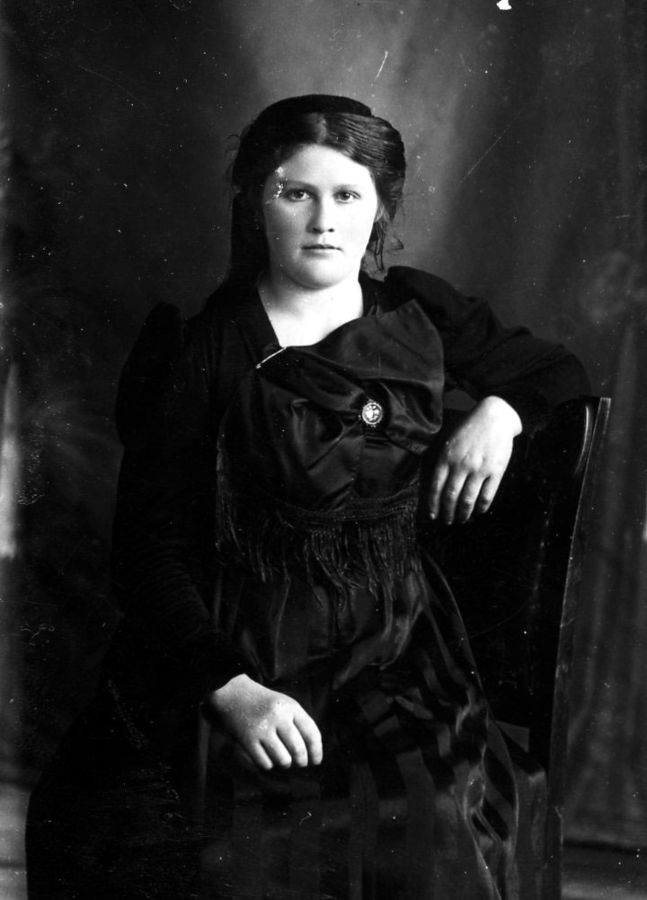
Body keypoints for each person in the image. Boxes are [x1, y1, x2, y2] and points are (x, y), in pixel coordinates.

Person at [27, 94, 590, 899]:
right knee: (226, 841)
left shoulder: (419, 311)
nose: (324, 220)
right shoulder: (206, 350)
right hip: (245, 645)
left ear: (380, 209)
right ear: (257, 204)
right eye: (296, 193)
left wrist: (498, 414)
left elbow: (555, 371)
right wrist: (233, 693)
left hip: (395, 650)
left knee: (425, 814)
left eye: (347, 195)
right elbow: (147, 553)